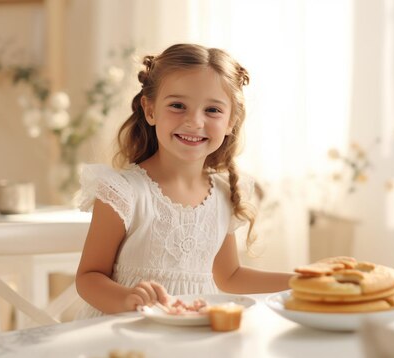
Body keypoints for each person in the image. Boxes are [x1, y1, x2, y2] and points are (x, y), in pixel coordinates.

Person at [75, 43, 293, 318]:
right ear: (150, 110)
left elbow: (231, 276)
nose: (194, 121)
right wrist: (127, 299)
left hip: (188, 336)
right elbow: (88, 277)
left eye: (212, 110)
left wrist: (303, 281)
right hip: (124, 334)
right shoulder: (123, 192)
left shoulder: (224, 195)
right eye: (178, 106)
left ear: (231, 122)